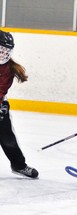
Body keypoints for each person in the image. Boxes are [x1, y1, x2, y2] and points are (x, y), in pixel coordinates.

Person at [0, 30, 39, 179]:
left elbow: (1, 90)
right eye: (0, 50)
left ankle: (19, 165)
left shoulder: (9, 69)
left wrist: (2, 106)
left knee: (7, 137)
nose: (3, 54)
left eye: (6, 51)